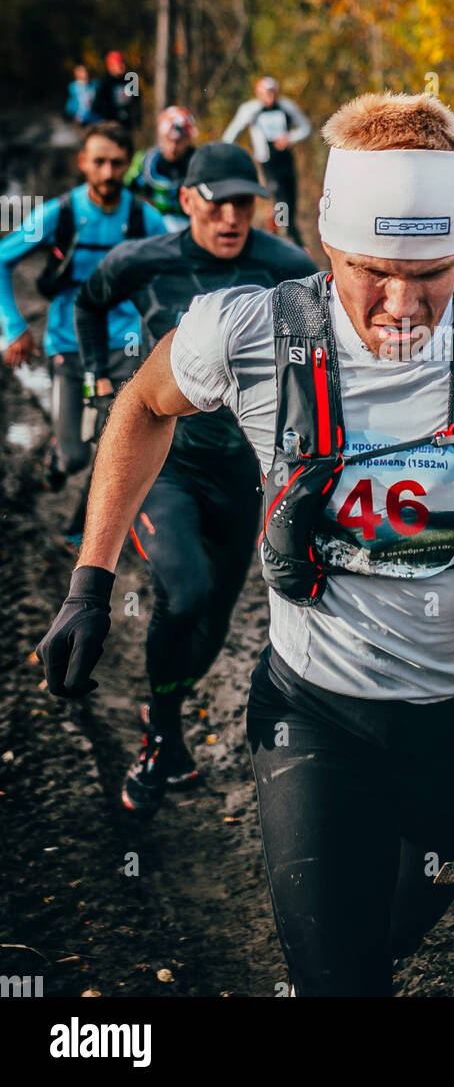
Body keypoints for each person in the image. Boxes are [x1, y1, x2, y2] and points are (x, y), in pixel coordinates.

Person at [37, 92, 454, 996]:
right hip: (316, 712)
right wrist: (91, 580)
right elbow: (143, 405)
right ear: (328, 248)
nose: (400, 305)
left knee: (398, 928)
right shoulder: (254, 329)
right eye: (371, 271)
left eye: (432, 272)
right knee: (341, 980)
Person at [70, 142, 317, 813]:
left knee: (214, 616)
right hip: (168, 463)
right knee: (184, 589)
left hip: (250, 472)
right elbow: (88, 303)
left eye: (245, 202)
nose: (233, 216)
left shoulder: (286, 266)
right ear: (186, 201)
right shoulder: (144, 259)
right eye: (218, 202)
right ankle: (161, 740)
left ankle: (163, 717)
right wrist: (99, 384)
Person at [0, 122, 165, 541]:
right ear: (83, 163)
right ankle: (57, 463)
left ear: (128, 165)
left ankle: (86, 530)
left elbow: (178, 263)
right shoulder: (61, 213)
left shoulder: (143, 217)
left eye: (116, 163)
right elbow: (2, 259)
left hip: (127, 348)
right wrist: (14, 328)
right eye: (99, 162)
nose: (108, 172)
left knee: (115, 448)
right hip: (69, 347)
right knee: (75, 453)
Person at [222, 76, 311, 245]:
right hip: (267, 161)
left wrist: (289, 138)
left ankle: (288, 229)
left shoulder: (286, 106)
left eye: (272, 93)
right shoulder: (251, 109)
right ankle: (282, 231)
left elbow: (305, 127)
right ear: (258, 93)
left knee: (290, 198)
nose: (269, 97)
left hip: (286, 159)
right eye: (266, 93)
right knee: (279, 195)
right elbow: (233, 131)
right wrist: (225, 153)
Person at [126, 105, 198, 230]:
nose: (173, 146)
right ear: (160, 137)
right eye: (168, 140)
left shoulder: (199, 162)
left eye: (179, 141)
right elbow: (126, 189)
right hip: (154, 223)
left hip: (191, 223)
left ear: (188, 139)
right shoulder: (145, 162)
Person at [93, 51, 141, 134]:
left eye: (123, 63)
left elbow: (136, 102)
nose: (122, 66)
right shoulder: (105, 83)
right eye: (119, 64)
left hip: (127, 123)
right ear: (111, 66)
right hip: (111, 124)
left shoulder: (131, 80)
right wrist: (109, 119)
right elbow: (98, 104)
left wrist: (136, 119)